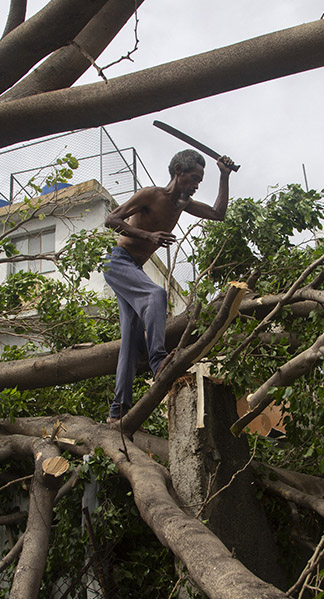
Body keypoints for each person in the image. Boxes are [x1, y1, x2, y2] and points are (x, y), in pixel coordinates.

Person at [103, 149, 234, 423]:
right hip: (118, 262)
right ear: (178, 172)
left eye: (201, 180)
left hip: (134, 268)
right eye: (194, 178)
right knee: (156, 294)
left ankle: (118, 412)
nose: (197, 184)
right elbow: (111, 220)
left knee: (130, 341)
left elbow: (218, 213)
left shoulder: (183, 204)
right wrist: (147, 234)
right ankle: (158, 361)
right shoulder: (151, 195)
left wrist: (224, 176)